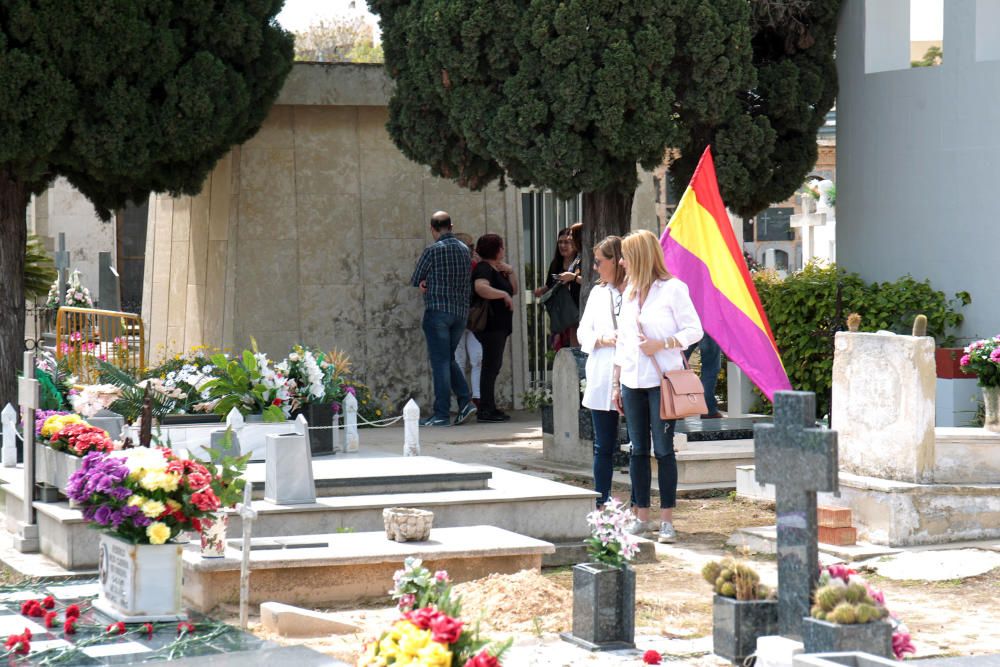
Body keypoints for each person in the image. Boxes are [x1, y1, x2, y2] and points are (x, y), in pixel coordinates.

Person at [613, 229, 703, 543]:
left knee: (663, 450)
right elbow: (624, 342)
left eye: (625, 254)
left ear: (639, 257)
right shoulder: (629, 292)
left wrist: (662, 343)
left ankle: (666, 520)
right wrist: (616, 382)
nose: (621, 261)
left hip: (661, 381)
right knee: (637, 450)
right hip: (632, 380)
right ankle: (641, 516)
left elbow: (695, 330)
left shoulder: (673, 289)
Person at [410, 212, 478, 426]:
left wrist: (425, 283)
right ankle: (465, 401)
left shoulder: (432, 250)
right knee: (447, 358)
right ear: (451, 225)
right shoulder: (465, 250)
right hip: (460, 313)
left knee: (440, 362)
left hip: (438, 311)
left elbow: (416, 278)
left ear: (432, 228)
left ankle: (441, 414)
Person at [578, 235, 626, 508]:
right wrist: (604, 338)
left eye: (599, 262)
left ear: (615, 261)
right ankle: (602, 501)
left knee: (639, 445)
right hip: (603, 372)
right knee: (603, 445)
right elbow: (583, 332)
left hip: (631, 375)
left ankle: (639, 504)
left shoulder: (635, 291)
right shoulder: (598, 293)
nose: (595, 267)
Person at [472, 233, 518, 423]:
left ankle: (489, 406)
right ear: (497, 250)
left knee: (493, 366)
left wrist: (510, 271)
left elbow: (514, 290)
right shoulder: (483, 268)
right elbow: (480, 287)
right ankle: (486, 409)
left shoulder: (497, 269)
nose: (504, 250)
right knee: (490, 367)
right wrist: (502, 295)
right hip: (490, 326)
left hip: (499, 325)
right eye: (502, 247)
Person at [533, 226, 582, 349]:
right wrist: (541, 290)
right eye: (560, 242)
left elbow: (589, 283)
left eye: (567, 242)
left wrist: (573, 277)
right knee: (562, 348)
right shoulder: (556, 263)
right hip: (562, 313)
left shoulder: (581, 261)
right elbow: (550, 285)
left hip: (577, 310)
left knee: (576, 346)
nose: (562, 245)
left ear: (575, 244)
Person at [453, 232, 482, 409]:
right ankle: (463, 400)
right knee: (459, 359)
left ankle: (477, 397)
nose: (472, 250)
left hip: (473, 317)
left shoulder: (476, 266)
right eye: (470, 247)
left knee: (477, 357)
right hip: (459, 316)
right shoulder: (456, 266)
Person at [686, 334, 723, 419]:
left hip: (686, 327)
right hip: (709, 327)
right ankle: (709, 410)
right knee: (710, 369)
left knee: (678, 367)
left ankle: (677, 407)